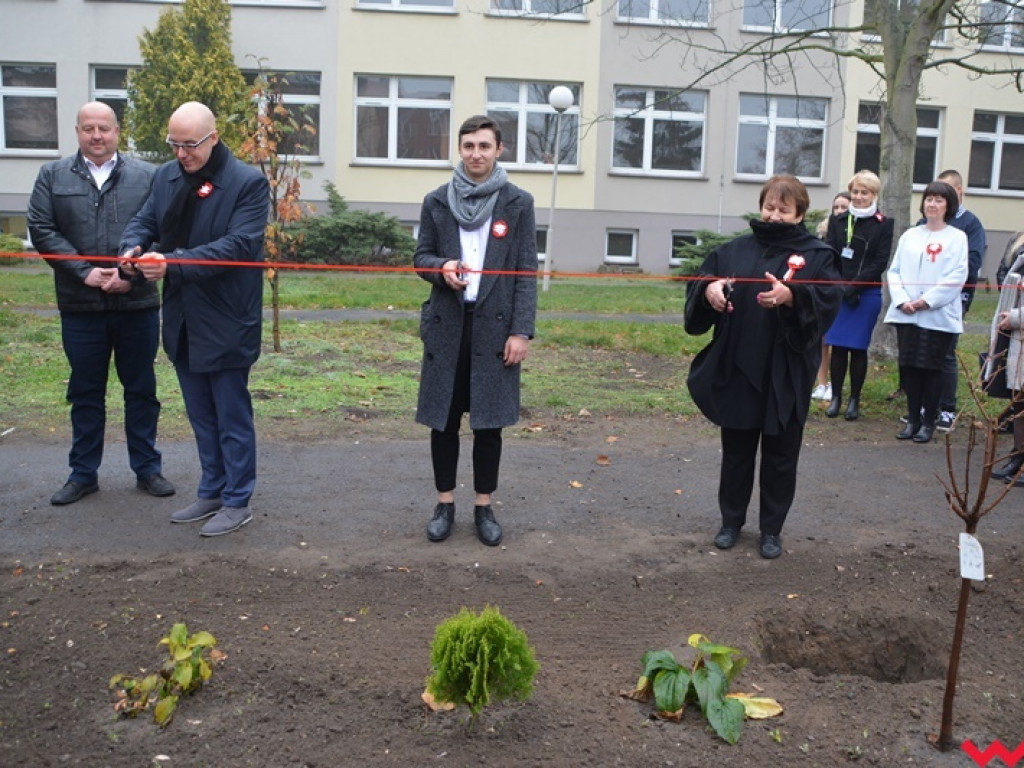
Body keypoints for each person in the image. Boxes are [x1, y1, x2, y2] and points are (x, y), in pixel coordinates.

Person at [119, 102, 269, 537]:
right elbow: (144, 221)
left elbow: (238, 246)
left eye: (190, 145)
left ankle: (238, 500)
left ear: (214, 138)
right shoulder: (166, 177)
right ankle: (212, 489)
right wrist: (131, 251)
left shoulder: (247, 183)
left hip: (227, 319)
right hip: (182, 319)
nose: (182, 154)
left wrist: (173, 262)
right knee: (201, 414)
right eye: (175, 144)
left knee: (230, 415)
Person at [684, 175, 842, 559]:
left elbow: (829, 302)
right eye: (768, 207)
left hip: (786, 373)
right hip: (739, 367)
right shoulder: (734, 250)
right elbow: (703, 281)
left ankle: (771, 530)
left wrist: (793, 296)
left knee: (781, 455)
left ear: (800, 213)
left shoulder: (819, 256)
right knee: (736, 452)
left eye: (783, 210)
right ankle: (730, 522)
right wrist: (709, 291)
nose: (773, 216)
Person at [27, 102, 174, 506]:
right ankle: (83, 474)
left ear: (117, 131)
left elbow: (165, 230)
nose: (97, 136)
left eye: (104, 128)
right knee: (86, 392)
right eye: (88, 128)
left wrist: (129, 275)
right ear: (77, 132)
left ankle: (147, 469)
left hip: (137, 305)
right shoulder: (52, 175)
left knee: (141, 390)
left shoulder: (148, 176)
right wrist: (85, 272)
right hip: (80, 305)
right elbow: (42, 229)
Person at [413, 114, 538, 547]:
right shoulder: (436, 201)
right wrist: (440, 268)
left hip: (496, 330)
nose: (475, 154)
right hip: (448, 327)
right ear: (459, 150)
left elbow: (525, 273)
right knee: (443, 422)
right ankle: (444, 503)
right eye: (468, 146)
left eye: (484, 146)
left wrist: (521, 332)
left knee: (489, 425)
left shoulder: (518, 203)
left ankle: (484, 505)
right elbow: (420, 258)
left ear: (498, 150)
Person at [885, 181, 968, 444]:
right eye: (929, 199)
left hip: (936, 315)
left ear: (948, 205)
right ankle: (912, 419)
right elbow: (894, 270)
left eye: (939, 200)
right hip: (907, 313)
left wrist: (926, 301)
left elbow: (958, 275)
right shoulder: (911, 235)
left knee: (931, 369)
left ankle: (928, 422)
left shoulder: (957, 237)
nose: (932, 204)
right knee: (909, 367)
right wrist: (903, 300)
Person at [823, 171, 894, 421]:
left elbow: (879, 261)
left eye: (864, 192)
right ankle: (836, 398)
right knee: (838, 347)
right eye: (855, 192)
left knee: (857, 347)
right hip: (839, 291)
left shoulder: (884, 223)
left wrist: (855, 287)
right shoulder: (839, 220)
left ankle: (854, 399)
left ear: (874, 195)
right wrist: (841, 286)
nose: (859, 197)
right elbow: (830, 255)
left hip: (866, 293)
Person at [930, 170, 986, 433]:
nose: (939, 200)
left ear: (959, 193)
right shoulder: (927, 222)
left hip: (954, 297)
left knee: (945, 352)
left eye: (947, 193)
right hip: (925, 299)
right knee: (924, 352)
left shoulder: (970, 224)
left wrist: (943, 284)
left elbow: (971, 263)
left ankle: (946, 408)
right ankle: (924, 406)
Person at [812, 191, 851, 402]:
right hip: (826, 292)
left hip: (848, 293)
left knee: (840, 345)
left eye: (844, 207)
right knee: (823, 340)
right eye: (836, 207)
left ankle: (837, 388)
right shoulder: (824, 232)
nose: (839, 211)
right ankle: (821, 384)